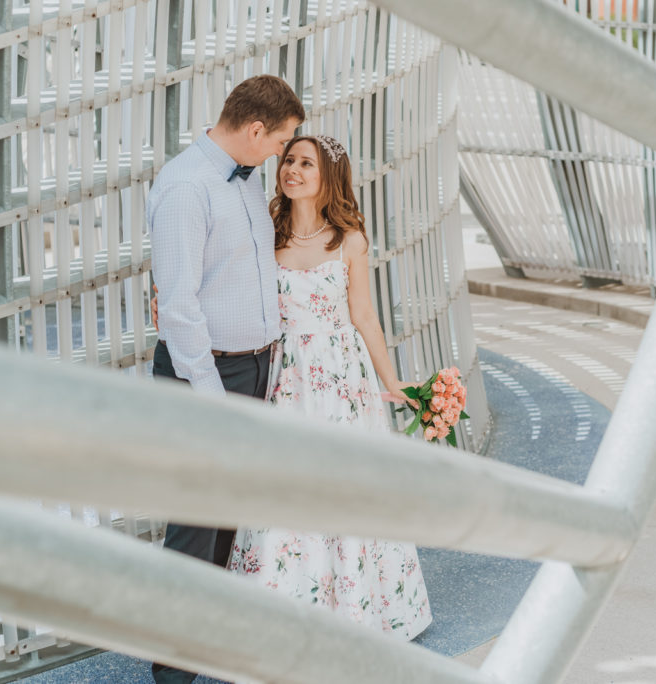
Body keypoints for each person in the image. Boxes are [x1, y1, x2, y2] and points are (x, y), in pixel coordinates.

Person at [225, 133, 432, 639]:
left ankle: (355, 613)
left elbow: (364, 315)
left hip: (340, 380)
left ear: (328, 178)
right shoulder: (266, 231)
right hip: (284, 374)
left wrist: (390, 379)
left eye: (306, 164)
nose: (292, 170)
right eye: (289, 160)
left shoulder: (349, 240)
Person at [147, 74, 304, 684]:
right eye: (281, 142)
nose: (282, 154)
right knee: (195, 524)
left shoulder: (245, 177)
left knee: (228, 518)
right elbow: (179, 306)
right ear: (256, 130)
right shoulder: (187, 187)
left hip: (254, 368)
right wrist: (214, 397)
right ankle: (173, 673)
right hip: (205, 376)